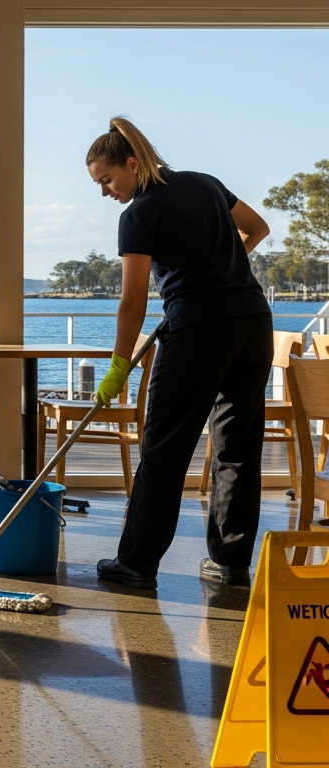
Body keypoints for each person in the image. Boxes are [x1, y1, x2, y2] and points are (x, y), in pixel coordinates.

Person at [87, 116, 271, 590]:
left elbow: (132, 301)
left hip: (199, 330)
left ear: (131, 164)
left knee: (165, 445)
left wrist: (118, 368)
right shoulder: (204, 183)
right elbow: (257, 228)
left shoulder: (139, 214)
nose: (105, 191)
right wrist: (217, 271)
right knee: (238, 445)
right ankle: (230, 563)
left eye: (107, 179)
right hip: (252, 320)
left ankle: (137, 562)